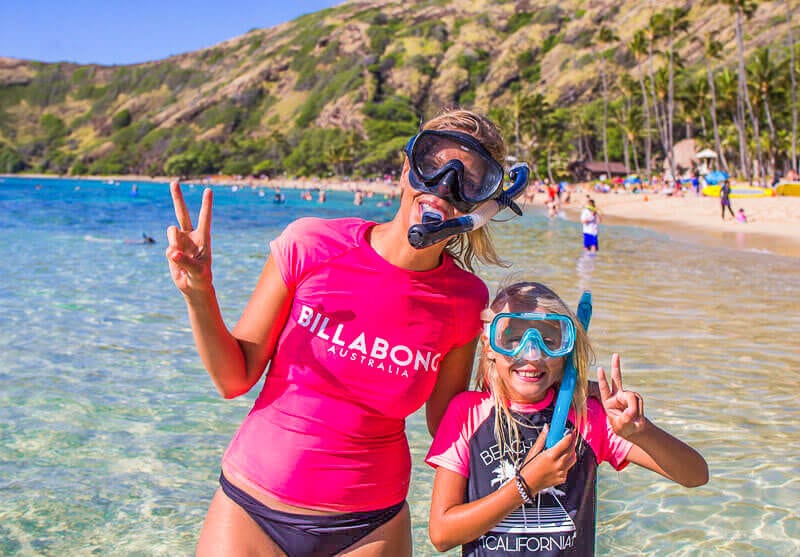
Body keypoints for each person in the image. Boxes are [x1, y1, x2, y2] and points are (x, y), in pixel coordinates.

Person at [166, 109, 513, 556]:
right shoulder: (310, 244)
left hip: (370, 527)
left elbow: (446, 422)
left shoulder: (465, 300)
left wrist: (531, 381)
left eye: (468, 179)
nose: (443, 185)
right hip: (251, 509)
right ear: (407, 167)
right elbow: (234, 379)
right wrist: (200, 292)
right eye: (433, 163)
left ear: (481, 204)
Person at [426, 281, 709, 556]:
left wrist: (641, 432)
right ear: (489, 346)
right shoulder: (467, 414)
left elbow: (695, 475)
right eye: (513, 339)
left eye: (549, 341)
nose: (532, 354)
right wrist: (525, 485)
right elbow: (441, 534)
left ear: (566, 352)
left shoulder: (590, 417)